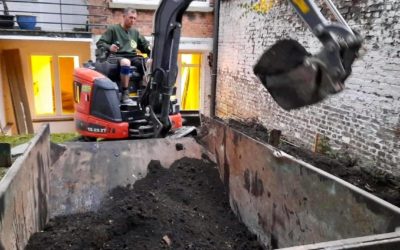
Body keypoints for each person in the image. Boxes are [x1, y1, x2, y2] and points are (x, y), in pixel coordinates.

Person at [96, 7, 151, 104]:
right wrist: (110, 47)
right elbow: (100, 43)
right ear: (124, 16)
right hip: (118, 56)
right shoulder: (113, 29)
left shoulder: (135, 32)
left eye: (134, 18)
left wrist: (153, 50)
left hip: (133, 56)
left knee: (150, 62)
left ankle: (145, 90)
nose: (132, 20)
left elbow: (145, 47)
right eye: (130, 17)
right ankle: (125, 92)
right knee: (126, 62)